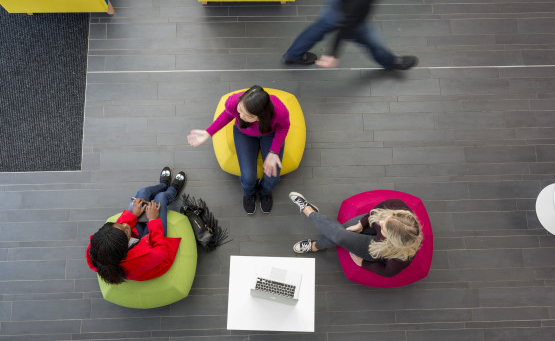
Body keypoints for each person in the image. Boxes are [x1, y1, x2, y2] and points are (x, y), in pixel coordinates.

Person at [187, 85, 290, 215]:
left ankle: (265, 192)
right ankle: (249, 193)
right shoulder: (233, 102)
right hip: (244, 133)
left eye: (248, 116)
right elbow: (227, 116)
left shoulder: (279, 111)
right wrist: (208, 132)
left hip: (270, 134)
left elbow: (284, 128)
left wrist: (274, 151)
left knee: (273, 180)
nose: (240, 116)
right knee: (247, 178)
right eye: (240, 110)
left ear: (261, 116)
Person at [86, 167, 187, 284]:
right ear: (126, 245)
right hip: (152, 251)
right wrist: (153, 220)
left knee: (143, 193)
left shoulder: (99, 246)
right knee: (160, 199)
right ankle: (171, 191)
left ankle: (163, 185)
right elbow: (161, 252)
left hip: (137, 243)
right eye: (125, 230)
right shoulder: (141, 260)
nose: (125, 225)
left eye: (121, 225)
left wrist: (133, 214)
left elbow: (120, 225)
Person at [288, 191, 422, 277]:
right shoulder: (397, 205)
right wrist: (361, 224)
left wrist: (363, 263)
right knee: (342, 233)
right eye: (386, 220)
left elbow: (387, 272)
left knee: (340, 236)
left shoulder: (401, 257)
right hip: (368, 224)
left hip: (378, 248)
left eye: (384, 229)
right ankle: (316, 245)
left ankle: (308, 211)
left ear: (393, 240)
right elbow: (376, 212)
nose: (380, 223)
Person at [282, 0, 418, 70]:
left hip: (337, 0)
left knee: (324, 23)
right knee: (370, 39)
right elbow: (348, 23)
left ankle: (293, 54)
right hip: (349, 9)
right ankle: (391, 61)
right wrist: (333, 54)